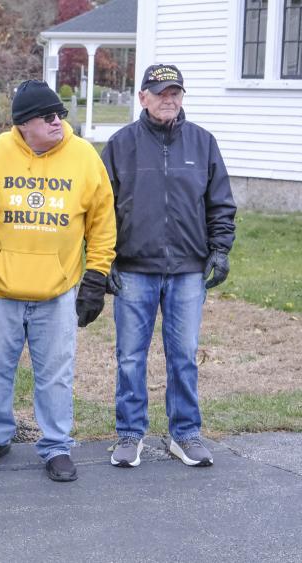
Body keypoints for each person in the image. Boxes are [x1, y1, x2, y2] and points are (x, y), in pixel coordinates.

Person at [0, 80, 116, 482]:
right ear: (23, 124)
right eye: (48, 116)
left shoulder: (84, 156)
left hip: (58, 291)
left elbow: (102, 222)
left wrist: (96, 278)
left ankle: (56, 445)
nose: (57, 121)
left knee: (56, 372)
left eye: (60, 113)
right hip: (0, 288)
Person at [101, 64, 236, 468]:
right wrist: (103, 258)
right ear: (142, 97)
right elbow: (101, 208)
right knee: (130, 356)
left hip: (187, 269)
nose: (169, 100)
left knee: (184, 355)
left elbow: (221, 203)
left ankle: (185, 433)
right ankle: (129, 434)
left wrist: (221, 249)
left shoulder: (202, 143)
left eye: (175, 93)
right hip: (133, 268)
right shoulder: (120, 144)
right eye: (161, 93)